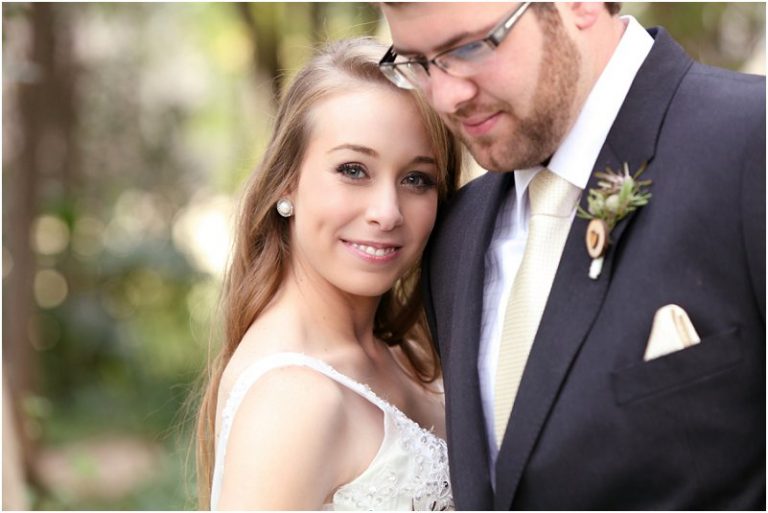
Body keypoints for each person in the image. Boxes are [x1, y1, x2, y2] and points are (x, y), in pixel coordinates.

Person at [379, 2, 765, 510]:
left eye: (471, 47)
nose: (447, 96)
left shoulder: (751, 142)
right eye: (418, 63)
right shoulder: (454, 234)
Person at [195, 37, 463, 510]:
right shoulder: (291, 397)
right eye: (353, 170)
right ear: (286, 183)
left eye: (416, 179)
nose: (387, 212)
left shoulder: (407, 352)